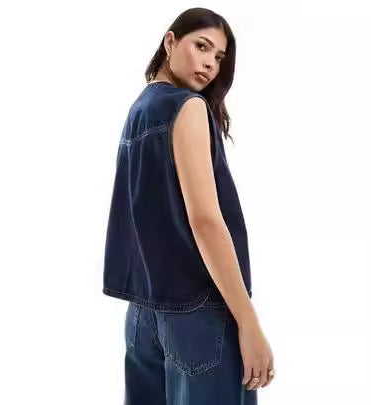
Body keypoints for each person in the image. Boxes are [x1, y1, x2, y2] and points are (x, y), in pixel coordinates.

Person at [102, 7, 275, 404]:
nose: (211, 63)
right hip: (198, 315)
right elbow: (206, 221)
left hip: (143, 317)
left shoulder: (139, 111)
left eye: (219, 57)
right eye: (202, 46)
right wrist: (248, 321)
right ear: (170, 42)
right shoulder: (188, 107)